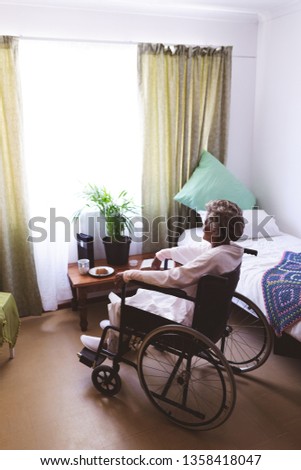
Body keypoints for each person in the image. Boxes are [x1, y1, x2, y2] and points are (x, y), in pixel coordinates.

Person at [80, 199, 245, 352]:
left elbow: (173, 277)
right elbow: (196, 251)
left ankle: (112, 344)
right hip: (211, 317)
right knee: (145, 295)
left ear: (216, 230)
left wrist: (131, 274)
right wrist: (162, 254)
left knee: (125, 304)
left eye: (207, 221)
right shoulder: (230, 251)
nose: (203, 225)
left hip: (189, 319)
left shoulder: (213, 257)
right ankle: (118, 331)